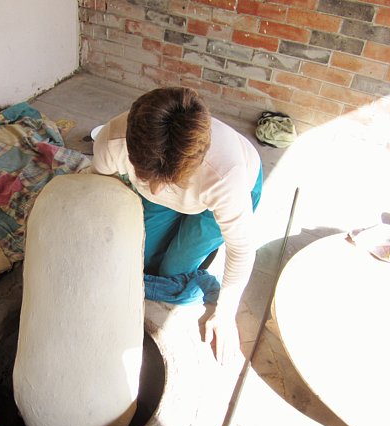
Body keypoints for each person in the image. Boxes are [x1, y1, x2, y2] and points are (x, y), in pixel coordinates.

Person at [88, 87, 262, 363]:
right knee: (141, 260)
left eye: (167, 181)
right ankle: (182, 228)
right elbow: (95, 185)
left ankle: (200, 237)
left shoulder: (226, 177)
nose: (154, 190)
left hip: (213, 200)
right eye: (143, 176)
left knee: (173, 270)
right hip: (189, 189)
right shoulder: (113, 142)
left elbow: (241, 250)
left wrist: (225, 314)